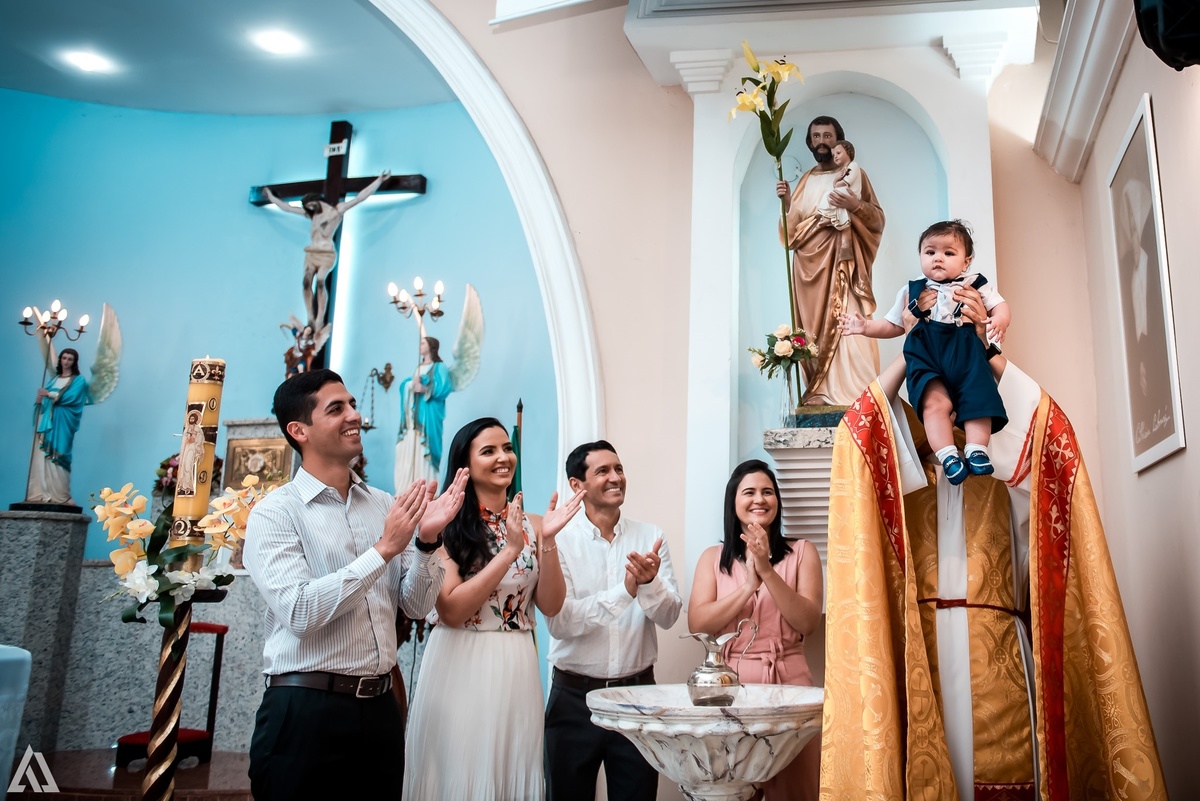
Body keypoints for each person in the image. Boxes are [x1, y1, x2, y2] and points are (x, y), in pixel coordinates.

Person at [820, 290, 1166, 799]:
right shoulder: (909, 459)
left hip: (997, 639)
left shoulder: (1000, 455)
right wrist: (914, 349)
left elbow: (1055, 440)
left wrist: (985, 350)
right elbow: (857, 434)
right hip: (925, 648)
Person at [243, 368, 464, 800]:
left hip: (380, 708)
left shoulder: (383, 504)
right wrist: (383, 550)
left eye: (353, 405)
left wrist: (426, 542)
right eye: (336, 408)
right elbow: (301, 613)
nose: (354, 416)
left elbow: (417, 606)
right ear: (298, 430)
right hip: (306, 709)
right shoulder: (276, 513)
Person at [403, 417, 586, 800]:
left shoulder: (534, 523)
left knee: (510, 770)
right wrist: (508, 553)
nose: (504, 457)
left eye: (507, 448)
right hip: (461, 660)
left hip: (517, 661)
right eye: (489, 451)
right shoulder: (445, 524)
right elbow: (451, 610)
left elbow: (551, 605)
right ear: (465, 464)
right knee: (462, 771)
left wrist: (547, 540)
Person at [544, 440, 682, 801]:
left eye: (618, 469)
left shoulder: (651, 536)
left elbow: (669, 617)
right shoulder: (559, 541)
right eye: (603, 471)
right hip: (574, 700)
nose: (616, 477)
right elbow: (561, 622)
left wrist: (648, 584)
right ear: (578, 485)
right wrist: (626, 591)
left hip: (639, 696)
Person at [689, 459, 823, 801]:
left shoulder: (803, 552)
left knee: (796, 792)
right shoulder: (712, 558)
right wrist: (748, 585)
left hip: (790, 685)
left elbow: (807, 622)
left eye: (768, 492)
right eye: (749, 492)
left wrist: (765, 568)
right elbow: (698, 624)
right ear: (733, 502)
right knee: (729, 791)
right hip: (728, 688)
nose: (759, 499)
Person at [838, 220, 1011, 484]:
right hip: (926, 355)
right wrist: (865, 326)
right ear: (920, 256)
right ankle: (948, 455)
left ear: (967, 261)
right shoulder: (912, 290)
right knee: (933, 403)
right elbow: (893, 324)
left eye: (948, 253)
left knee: (978, 396)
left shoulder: (976, 284)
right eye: (930, 252)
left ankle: (977, 449)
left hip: (965, 352)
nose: (937, 259)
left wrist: (1000, 319)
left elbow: (1000, 306)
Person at [777, 116, 885, 406]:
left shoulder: (854, 173)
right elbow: (794, 227)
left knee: (849, 326)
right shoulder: (807, 179)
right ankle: (819, 390)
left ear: (839, 140)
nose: (822, 142)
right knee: (812, 328)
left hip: (842, 260)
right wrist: (787, 202)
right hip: (807, 266)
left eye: (827, 136)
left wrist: (854, 205)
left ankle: (857, 394)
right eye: (816, 137)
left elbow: (876, 219)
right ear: (810, 142)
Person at [263, 169, 391, 327]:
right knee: (306, 282)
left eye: (311, 204)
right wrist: (271, 197)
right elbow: (287, 208)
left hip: (326, 253)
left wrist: (379, 180)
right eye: (307, 206)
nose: (309, 207)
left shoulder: (337, 211)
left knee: (321, 281)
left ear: (317, 200)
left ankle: (319, 318)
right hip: (312, 253)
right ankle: (310, 315)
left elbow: (359, 198)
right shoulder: (312, 215)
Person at [25, 348, 90, 505]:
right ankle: (39, 492)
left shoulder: (78, 380)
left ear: (74, 362)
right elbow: (45, 397)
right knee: (42, 456)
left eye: (70, 359)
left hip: (63, 422)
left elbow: (71, 398)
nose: (66, 361)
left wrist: (48, 395)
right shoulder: (53, 380)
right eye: (64, 358)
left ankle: (61, 495)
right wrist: (40, 400)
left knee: (60, 455)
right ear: (60, 360)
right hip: (47, 421)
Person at [394, 336, 453, 492]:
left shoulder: (440, 367)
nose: (419, 346)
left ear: (431, 346)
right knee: (410, 446)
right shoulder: (419, 367)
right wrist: (409, 386)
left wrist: (426, 389)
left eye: (422, 343)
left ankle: (427, 489)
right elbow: (408, 384)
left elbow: (444, 387)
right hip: (414, 418)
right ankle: (408, 488)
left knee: (425, 452)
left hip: (429, 417)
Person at [815, 140, 861, 231]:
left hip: (852, 194)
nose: (835, 157)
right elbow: (837, 185)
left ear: (849, 152)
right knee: (830, 195)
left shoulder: (853, 166)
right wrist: (837, 180)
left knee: (832, 195)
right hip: (844, 192)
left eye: (838, 153)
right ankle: (828, 216)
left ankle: (828, 216)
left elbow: (843, 184)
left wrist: (836, 181)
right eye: (833, 155)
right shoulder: (843, 170)